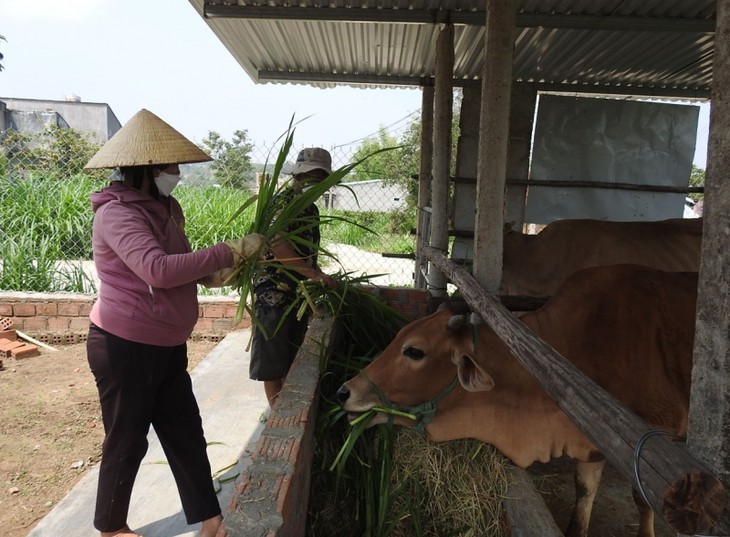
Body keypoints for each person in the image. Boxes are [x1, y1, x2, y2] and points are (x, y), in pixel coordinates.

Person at [83, 108, 263, 537]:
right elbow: (157, 270)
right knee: (127, 440)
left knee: (185, 432)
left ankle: (211, 520)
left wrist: (217, 271)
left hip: (166, 344)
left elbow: (177, 265)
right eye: (170, 165)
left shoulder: (165, 207)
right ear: (145, 169)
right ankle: (110, 527)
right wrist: (225, 252)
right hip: (124, 346)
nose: (177, 172)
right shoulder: (117, 213)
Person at [251, 147, 336, 407]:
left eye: (319, 178)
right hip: (273, 294)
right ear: (297, 177)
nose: (313, 183)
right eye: (309, 177)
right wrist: (311, 273)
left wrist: (316, 275)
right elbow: (277, 243)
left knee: (291, 355)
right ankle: (276, 413)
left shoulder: (310, 209)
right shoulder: (283, 203)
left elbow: (308, 251)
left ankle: (287, 408)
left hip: (297, 296)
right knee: (272, 363)